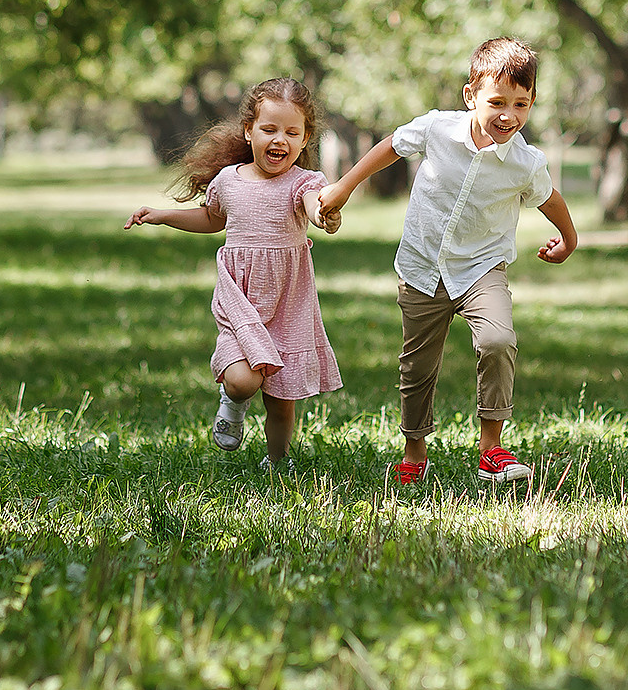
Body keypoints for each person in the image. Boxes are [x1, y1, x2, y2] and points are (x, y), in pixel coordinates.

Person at [313, 37, 578, 486]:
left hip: (481, 268)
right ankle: (414, 451)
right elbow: (392, 146)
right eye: (497, 101)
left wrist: (569, 239)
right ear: (470, 95)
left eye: (522, 104)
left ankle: (491, 450)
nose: (508, 115)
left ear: (532, 103)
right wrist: (343, 188)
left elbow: (549, 199)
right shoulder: (437, 129)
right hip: (422, 266)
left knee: (498, 340)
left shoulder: (526, 162)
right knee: (417, 366)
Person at [125, 77, 342, 467]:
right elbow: (212, 218)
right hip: (241, 299)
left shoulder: (303, 182)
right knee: (243, 380)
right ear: (249, 130)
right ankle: (233, 403)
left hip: (287, 304)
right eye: (269, 129)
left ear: (306, 138)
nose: (280, 140)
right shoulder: (229, 181)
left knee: (281, 400)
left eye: (292, 132)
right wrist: (162, 216)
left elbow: (313, 203)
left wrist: (323, 213)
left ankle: (277, 463)